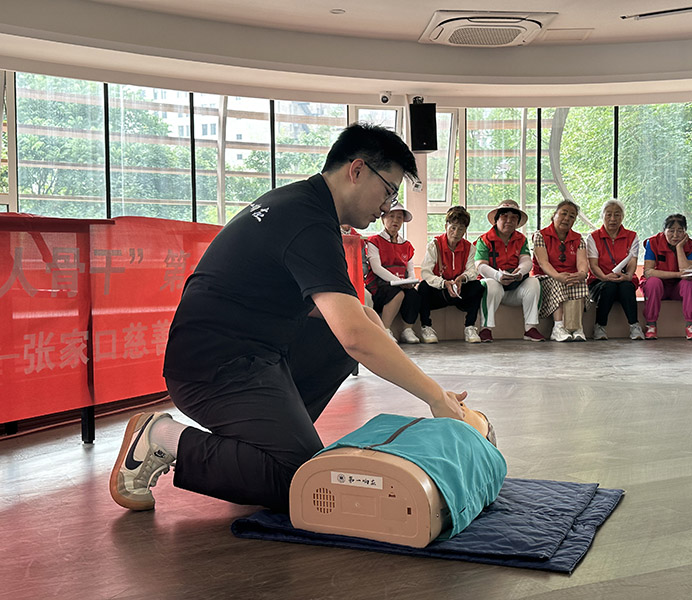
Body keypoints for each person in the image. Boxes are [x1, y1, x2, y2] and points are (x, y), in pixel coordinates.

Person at [109, 123, 466, 513]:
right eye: (388, 191)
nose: (386, 207)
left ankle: (267, 442)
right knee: (299, 480)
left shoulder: (301, 205)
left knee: (352, 329)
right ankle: (161, 436)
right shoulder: (308, 221)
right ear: (357, 170)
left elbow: (356, 318)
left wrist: (372, 331)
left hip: (250, 353)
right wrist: (435, 396)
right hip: (212, 369)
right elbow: (355, 336)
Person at [474, 200, 543, 342]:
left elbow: (526, 260)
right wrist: (497, 275)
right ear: (496, 219)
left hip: (514, 288)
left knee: (534, 282)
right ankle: (486, 329)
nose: (509, 221)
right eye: (504, 216)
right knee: (490, 284)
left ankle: (530, 328)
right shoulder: (484, 240)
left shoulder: (521, 239)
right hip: (494, 289)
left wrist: (520, 272)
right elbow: (480, 265)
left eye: (514, 218)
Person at [418, 206, 484, 343]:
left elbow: (472, 271)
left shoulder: (469, 247)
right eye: (453, 228)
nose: (456, 233)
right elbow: (426, 272)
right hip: (440, 291)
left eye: (461, 229)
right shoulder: (434, 245)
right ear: (446, 226)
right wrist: (443, 283)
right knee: (423, 287)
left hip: (459, 291)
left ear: (465, 230)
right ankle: (426, 327)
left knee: (477, 286)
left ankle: (470, 327)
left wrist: (462, 278)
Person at [587, 200, 644, 341]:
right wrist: (605, 277)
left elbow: (632, 260)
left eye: (617, 215)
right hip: (599, 281)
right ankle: (599, 326)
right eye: (609, 215)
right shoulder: (593, 237)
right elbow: (593, 265)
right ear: (602, 216)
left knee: (626, 286)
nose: (613, 219)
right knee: (609, 286)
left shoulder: (632, 236)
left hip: (623, 279)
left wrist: (628, 276)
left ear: (622, 217)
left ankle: (634, 326)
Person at [533, 200, 590, 342]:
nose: (567, 218)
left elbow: (582, 262)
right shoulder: (541, 235)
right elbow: (543, 262)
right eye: (563, 213)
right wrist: (558, 276)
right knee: (557, 282)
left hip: (569, 277)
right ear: (554, 215)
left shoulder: (578, 239)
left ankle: (577, 328)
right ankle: (558, 327)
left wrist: (581, 274)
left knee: (580, 282)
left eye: (572, 216)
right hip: (546, 277)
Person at [364, 203, 421, 343]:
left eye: (399, 217)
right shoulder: (374, 241)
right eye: (391, 216)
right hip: (380, 285)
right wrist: (399, 282)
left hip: (400, 284)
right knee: (397, 293)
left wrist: (410, 282)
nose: (395, 220)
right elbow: (376, 268)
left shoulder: (407, 245)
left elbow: (410, 269)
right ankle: (384, 330)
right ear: (383, 218)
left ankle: (407, 330)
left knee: (413, 294)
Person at [641, 213, 692, 340]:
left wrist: (679, 248)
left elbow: (688, 274)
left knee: (691, 284)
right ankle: (651, 325)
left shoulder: (691, 245)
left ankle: (691, 325)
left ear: (685, 232)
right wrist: (678, 274)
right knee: (653, 282)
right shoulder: (653, 242)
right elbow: (648, 272)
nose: (675, 235)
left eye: (680, 231)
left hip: (677, 288)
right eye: (671, 231)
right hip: (659, 287)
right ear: (664, 231)